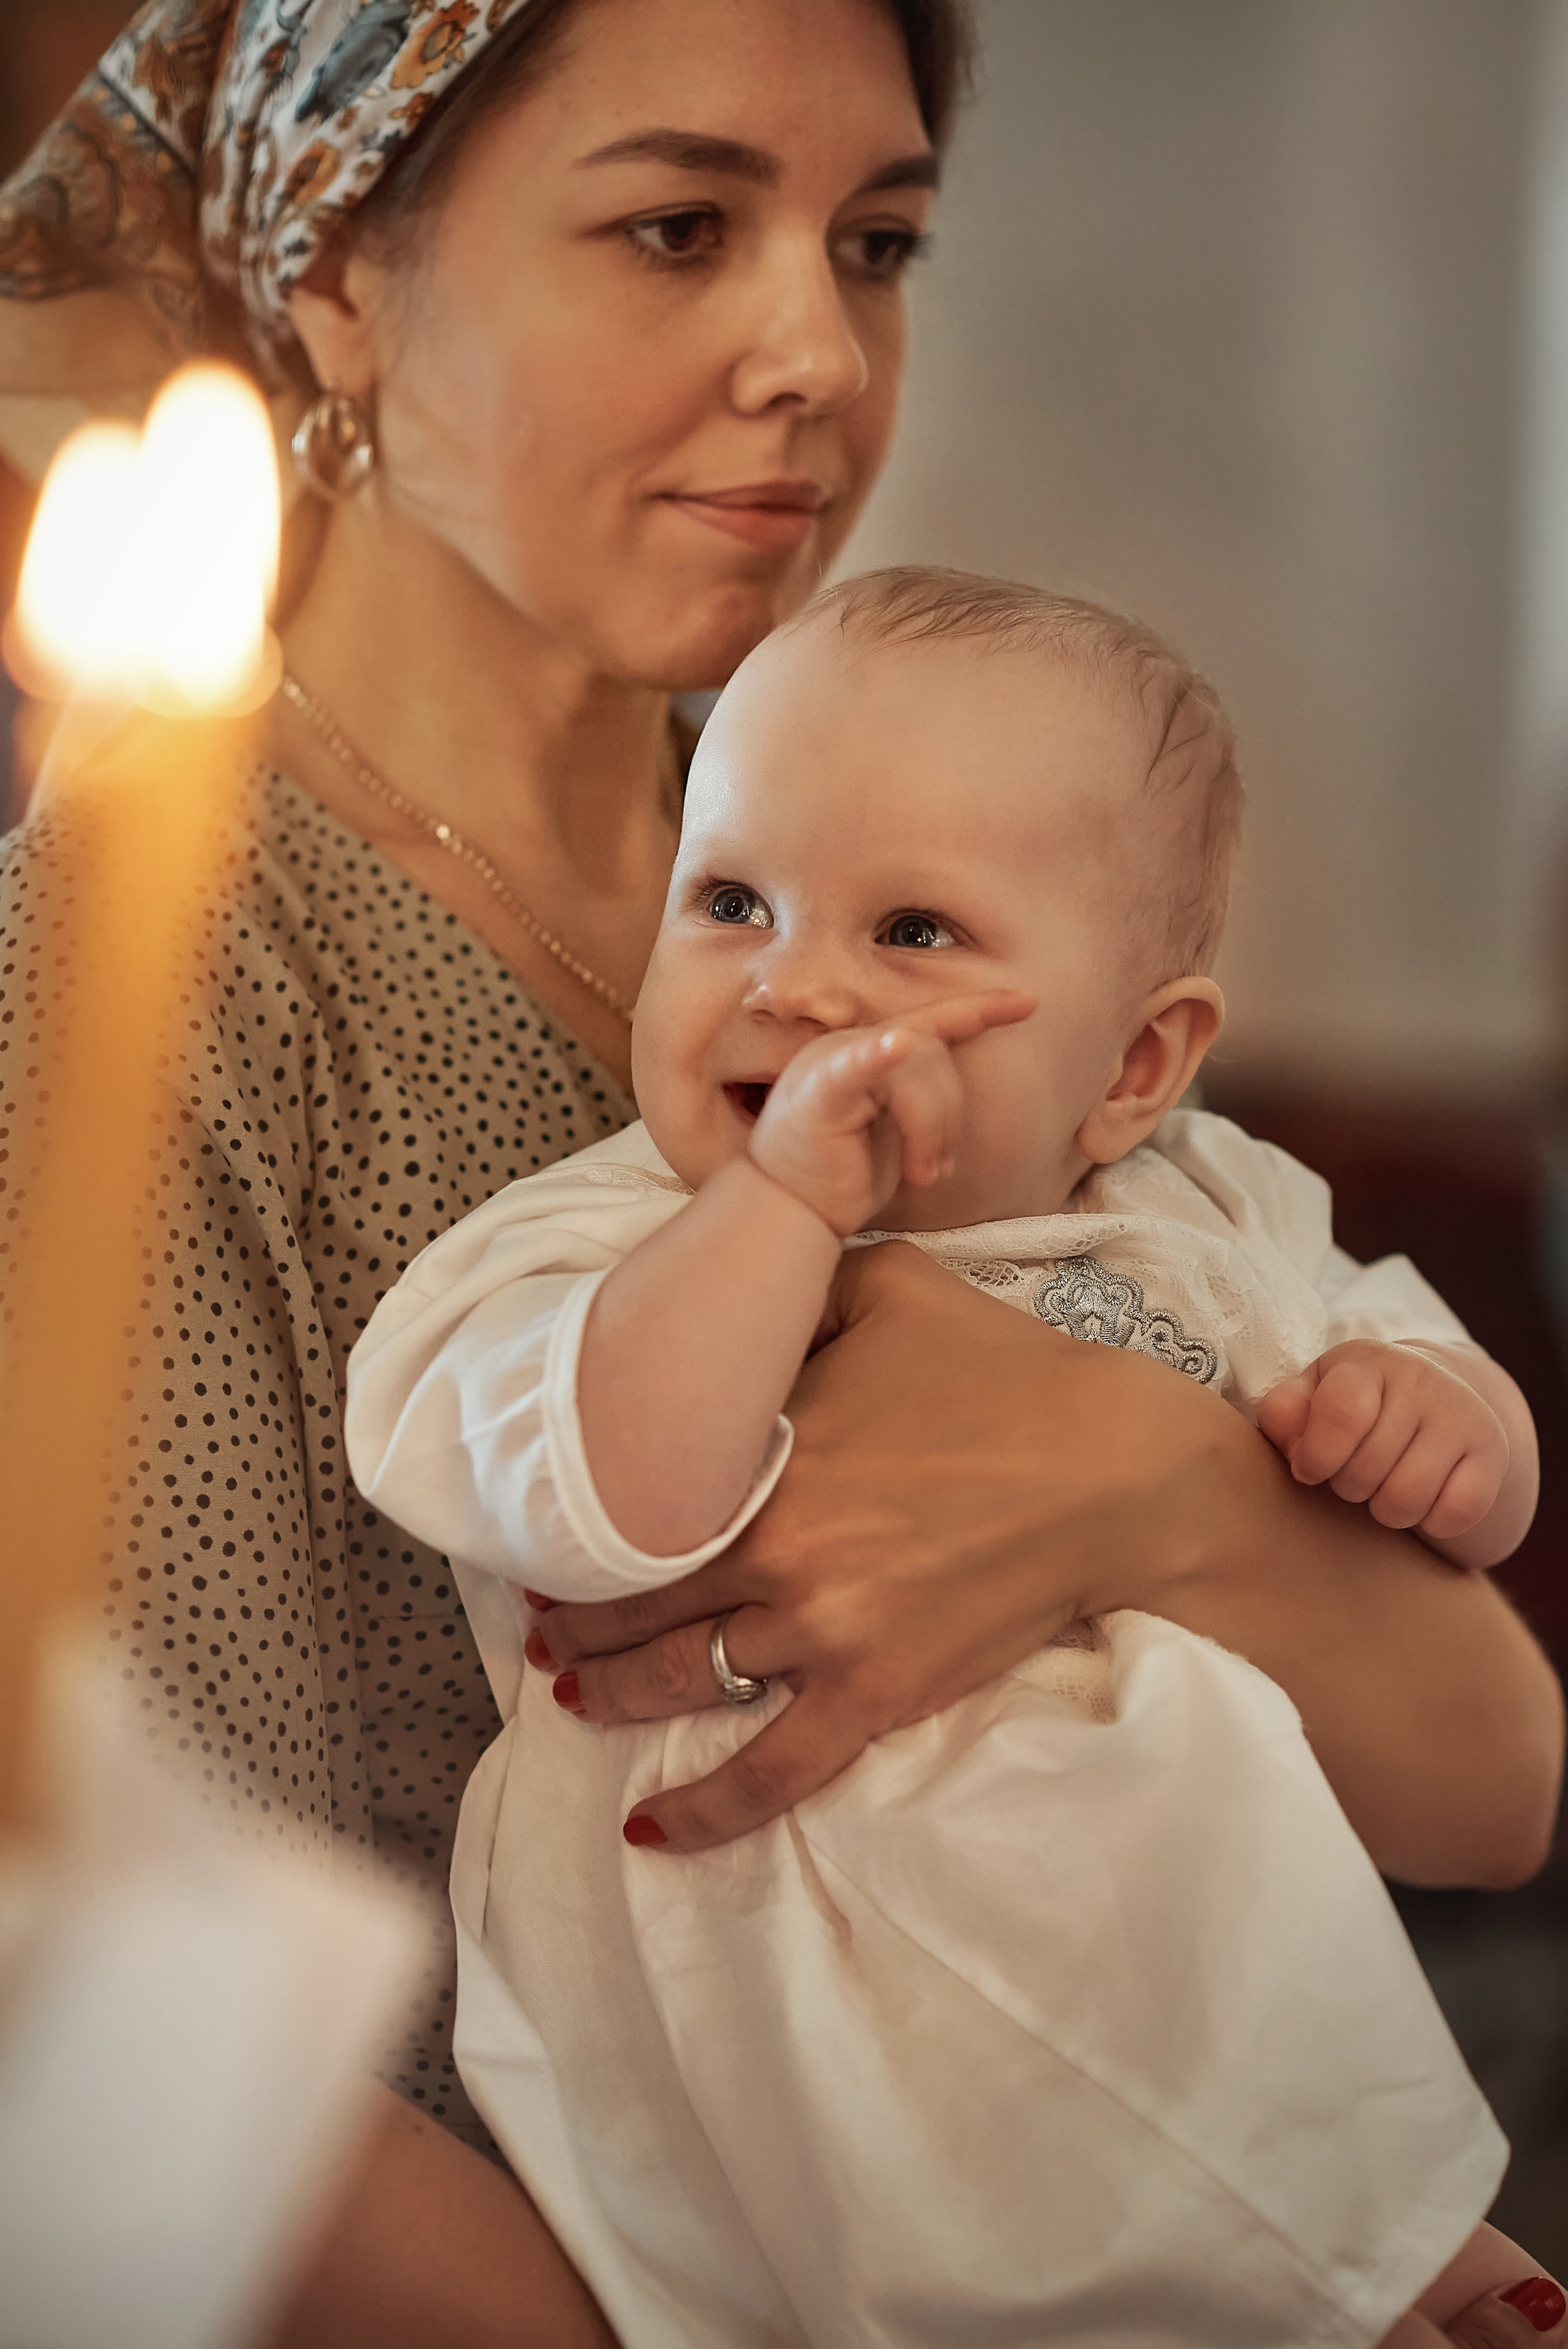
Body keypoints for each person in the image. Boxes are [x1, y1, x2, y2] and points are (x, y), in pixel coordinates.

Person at [0, 4, 1559, 2343]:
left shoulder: (905, 862)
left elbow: (1495, 1777)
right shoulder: (139, 967)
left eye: (879, 242)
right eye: (677, 227)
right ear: (333, 281)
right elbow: (125, 1981)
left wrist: (1146, 1488)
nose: (817, 353)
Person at [345, 569, 1540, 2346]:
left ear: (1135, 1065)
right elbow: (602, 1496)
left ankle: (1368, 2256)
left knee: (1295, 2160)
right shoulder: (597, 1240)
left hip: (1198, 1956)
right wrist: (777, 1210)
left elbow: (1436, 1412)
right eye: (731, 900)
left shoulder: (1216, 1207)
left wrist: (1441, 1422)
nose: (792, 981)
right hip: (804, 2005)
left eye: (912, 930)